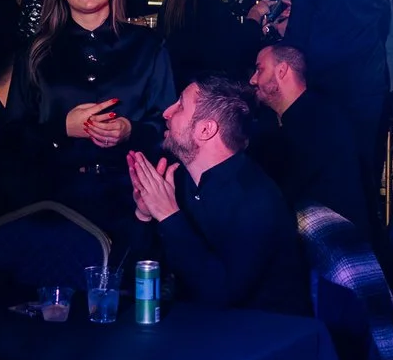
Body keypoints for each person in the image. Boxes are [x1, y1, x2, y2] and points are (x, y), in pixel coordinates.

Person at [9, 0, 175, 239]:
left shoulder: (148, 46)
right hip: (54, 202)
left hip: (132, 201)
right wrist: (61, 129)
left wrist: (130, 130)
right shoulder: (35, 53)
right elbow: (12, 134)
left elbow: (170, 125)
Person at [127, 78, 307, 313]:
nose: (167, 113)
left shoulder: (255, 197)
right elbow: (133, 278)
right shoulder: (182, 183)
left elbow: (220, 296)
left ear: (206, 129)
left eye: (180, 106)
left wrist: (169, 215)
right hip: (198, 329)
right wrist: (144, 214)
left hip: (261, 336)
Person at [283, 0, 393, 175]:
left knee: (327, 173)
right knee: (365, 168)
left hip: (326, 87)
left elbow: (297, 40)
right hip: (369, 85)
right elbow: (382, 26)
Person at [250, 44, 368, 226]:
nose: (253, 79)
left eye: (259, 70)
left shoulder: (318, 122)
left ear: (282, 71)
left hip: (331, 239)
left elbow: (281, 193)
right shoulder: (312, 112)